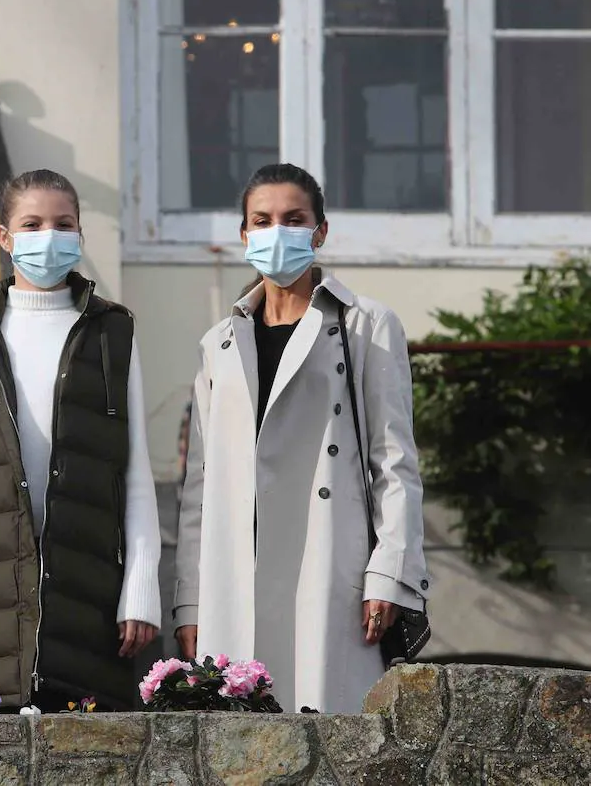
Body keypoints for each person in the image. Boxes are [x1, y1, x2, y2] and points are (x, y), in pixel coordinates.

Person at [173, 163, 430, 713]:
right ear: (243, 234)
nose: (277, 232)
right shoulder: (218, 344)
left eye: (294, 219)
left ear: (320, 232)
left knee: (330, 734)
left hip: (329, 564)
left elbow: (395, 463)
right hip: (236, 571)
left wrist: (389, 574)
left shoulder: (366, 325)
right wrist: (190, 604)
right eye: (261, 220)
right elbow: (199, 487)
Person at [0, 169, 162, 714]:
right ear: (5, 237)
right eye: (33, 223)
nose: (49, 236)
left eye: (63, 223)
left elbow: (134, 472)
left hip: (87, 590)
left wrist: (140, 591)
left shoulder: (112, 333)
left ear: (79, 233)